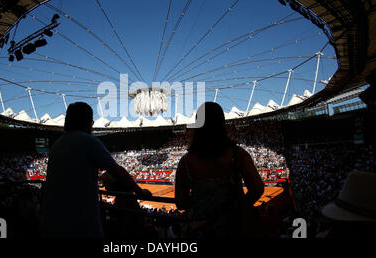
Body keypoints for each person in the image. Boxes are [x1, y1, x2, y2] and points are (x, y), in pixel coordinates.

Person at [40, 102, 151, 238]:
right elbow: (117, 171)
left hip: (53, 219)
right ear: (87, 122)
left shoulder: (57, 144)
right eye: (91, 122)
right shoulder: (88, 141)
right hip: (80, 221)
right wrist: (139, 191)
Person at [175, 102, 264, 238]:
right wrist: (238, 208)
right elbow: (257, 189)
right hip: (235, 229)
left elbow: (181, 202)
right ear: (222, 124)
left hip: (201, 231)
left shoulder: (186, 161)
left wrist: (204, 207)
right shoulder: (238, 154)